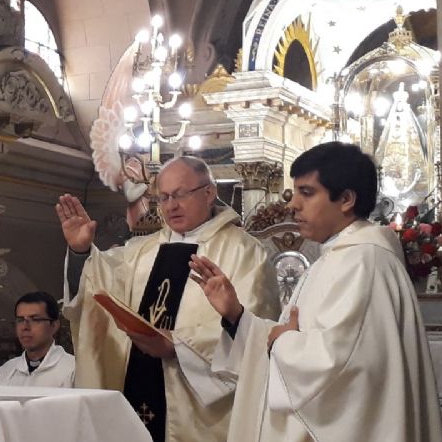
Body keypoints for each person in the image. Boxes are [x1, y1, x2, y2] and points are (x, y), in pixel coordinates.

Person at [190, 142, 442, 442]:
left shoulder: (363, 261)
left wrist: (285, 343)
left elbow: (346, 366)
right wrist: (235, 314)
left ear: (346, 199)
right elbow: (300, 337)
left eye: (307, 193)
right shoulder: (338, 256)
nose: (292, 204)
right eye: (295, 191)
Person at [58, 156, 280, 442]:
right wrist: (80, 251)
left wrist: (178, 345)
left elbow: (253, 329)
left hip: (199, 414)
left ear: (209, 192)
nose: (171, 205)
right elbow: (95, 286)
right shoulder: (141, 250)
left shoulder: (244, 252)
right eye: (163, 197)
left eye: (180, 194)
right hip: (134, 387)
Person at [0, 291, 75, 387]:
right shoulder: (5, 371)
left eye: (35, 319)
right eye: (20, 320)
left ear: (54, 325)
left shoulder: (72, 370)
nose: (25, 327)